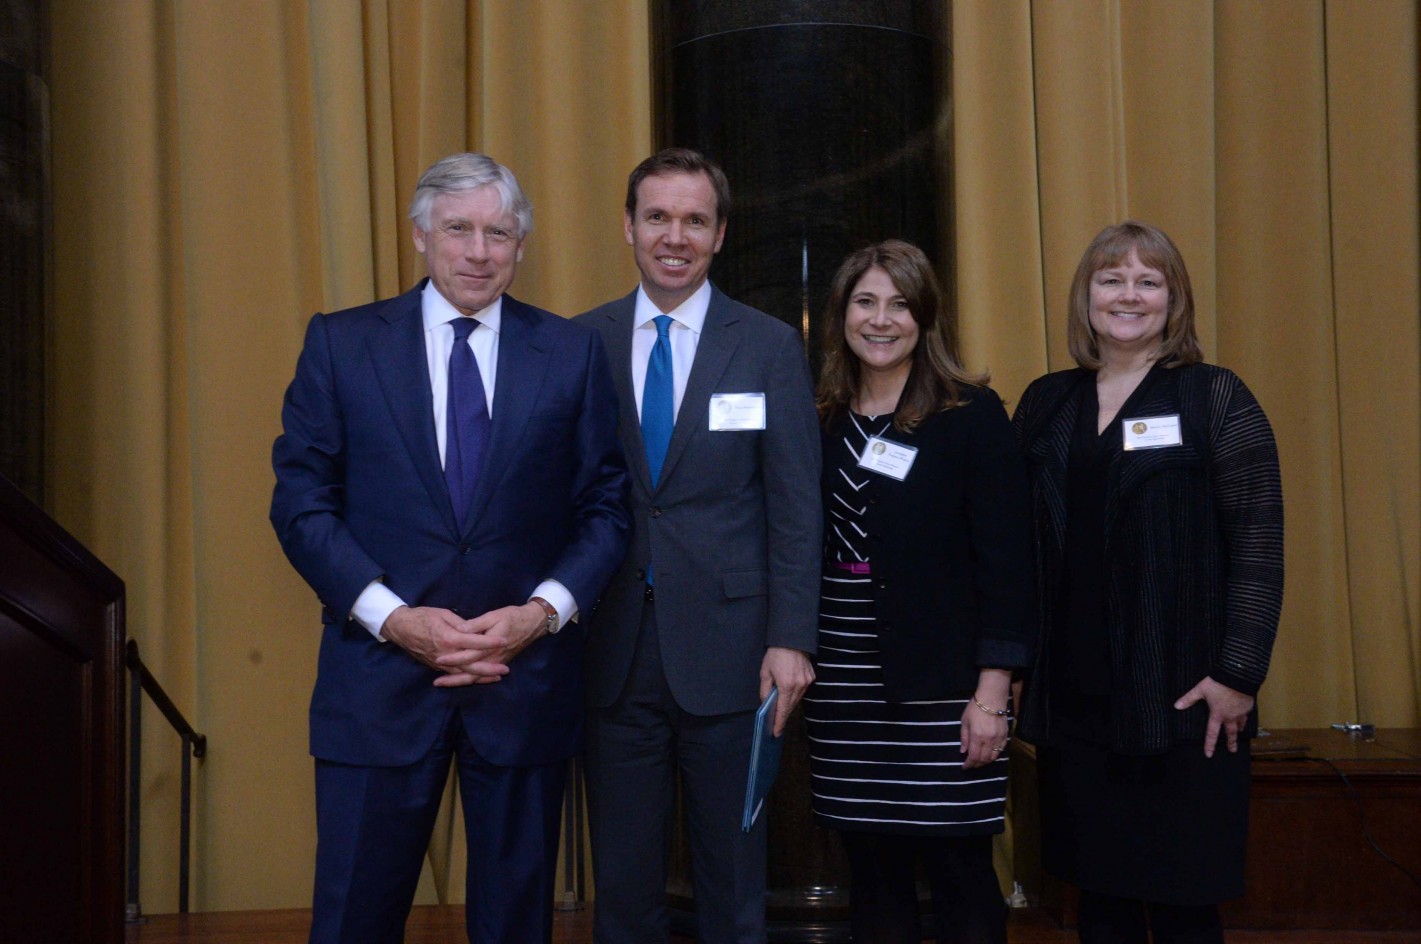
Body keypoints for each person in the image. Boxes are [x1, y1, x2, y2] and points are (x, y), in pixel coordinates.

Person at [269, 153, 629, 944]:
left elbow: (605, 509)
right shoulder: (341, 344)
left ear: (520, 247)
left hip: (522, 682)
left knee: (517, 926)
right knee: (353, 921)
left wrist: (541, 614)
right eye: (458, 229)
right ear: (421, 236)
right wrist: (394, 620)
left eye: (497, 232)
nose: (478, 250)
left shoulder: (569, 354)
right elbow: (300, 503)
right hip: (378, 684)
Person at [575, 147, 822, 943]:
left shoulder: (768, 346)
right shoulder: (580, 345)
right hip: (609, 651)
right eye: (657, 217)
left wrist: (790, 638)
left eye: (693, 219)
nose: (673, 236)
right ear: (628, 227)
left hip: (733, 652)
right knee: (622, 883)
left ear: (719, 234)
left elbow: (793, 509)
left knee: (730, 880)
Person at [1013, 221, 1284, 944]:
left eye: (1147, 280)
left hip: (1183, 700)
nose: (1126, 295)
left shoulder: (1214, 398)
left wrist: (1237, 673)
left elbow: (1258, 541)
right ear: (1086, 295)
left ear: (1173, 299)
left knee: (1181, 901)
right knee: (1097, 900)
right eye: (1110, 278)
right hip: (1076, 701)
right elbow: (1014, 543)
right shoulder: (1046, 403)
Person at [805, 239, 1034, 944]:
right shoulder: (821, 416)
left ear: (925, 316)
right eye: (865, 302)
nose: (881, 320)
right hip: (842, 684)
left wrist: (992, 693)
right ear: (841, 314)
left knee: (960, 870)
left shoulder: (969, 415)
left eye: (899, 304)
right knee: (872, 874)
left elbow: (1007, 562)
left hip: (941, 687)